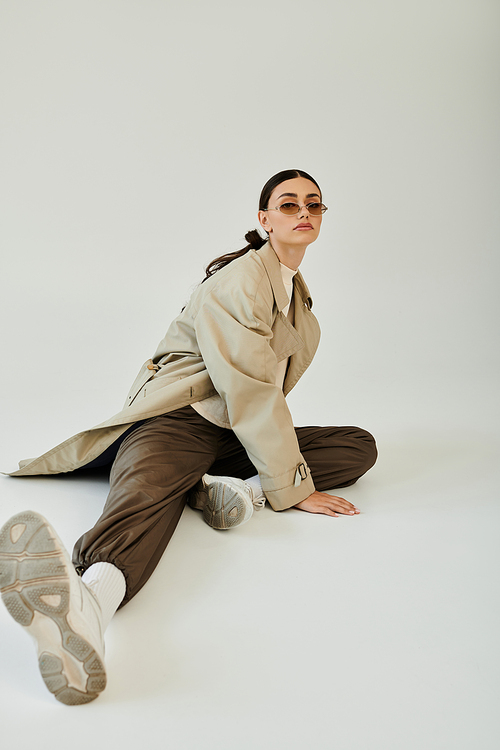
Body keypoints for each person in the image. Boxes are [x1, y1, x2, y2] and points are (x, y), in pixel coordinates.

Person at [0, 169, 377, 705]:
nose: (304, 213)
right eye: (289, 204)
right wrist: (294, 490)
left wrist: (278, 476)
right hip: (177, 418)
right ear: (264, 220)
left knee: (358, 444)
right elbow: (250, 389)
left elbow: (256, 400)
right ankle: (87, 606)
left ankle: (232, 491)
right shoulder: (240, 280)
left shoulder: (296, 295)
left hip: (229, 431)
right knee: (145, 496)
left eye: (313, 205)